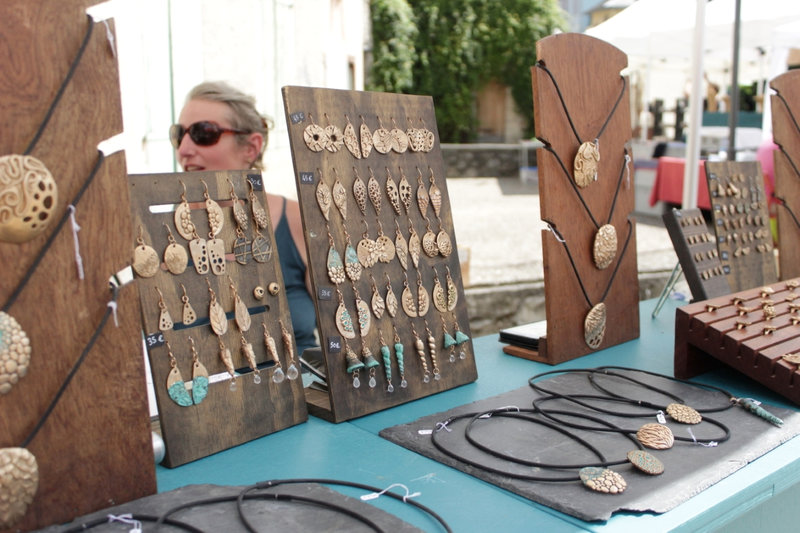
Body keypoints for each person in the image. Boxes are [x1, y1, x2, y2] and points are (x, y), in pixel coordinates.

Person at [171, 81, 318, 356]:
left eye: (203, 133)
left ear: (251, 147)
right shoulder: (166, 231)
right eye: (178, 135)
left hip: (305, 391)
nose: (184, 150)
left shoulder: (299, 220)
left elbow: (348, 327)